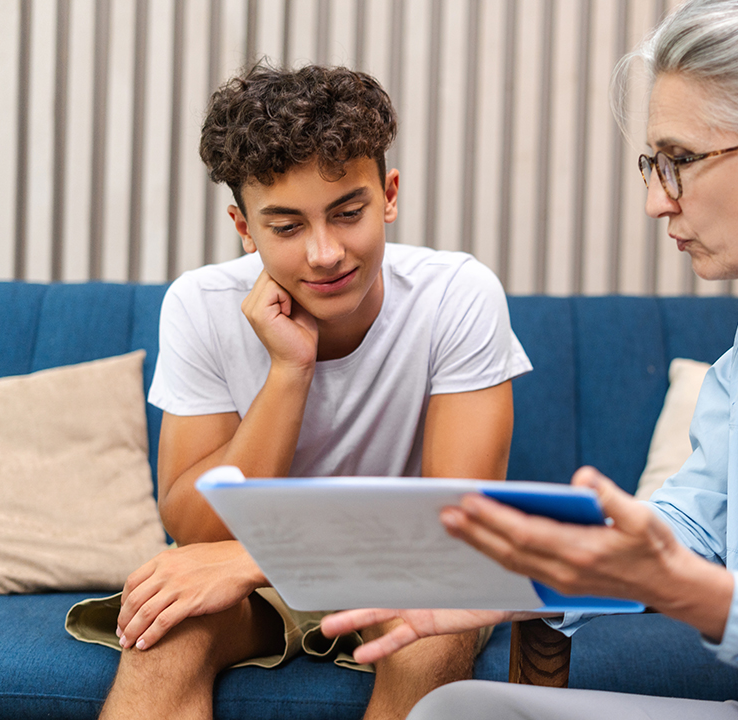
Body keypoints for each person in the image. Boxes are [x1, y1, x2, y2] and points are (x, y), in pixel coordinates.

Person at [320, 1, 738, 718]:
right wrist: (504, 572)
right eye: (653, 164)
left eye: (678, 162)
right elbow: (693, 521)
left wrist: (701, 598)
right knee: (460, 711)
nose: (654, 201)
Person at [77, 63, 532, 720]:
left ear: (390, 195)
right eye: (286, 227)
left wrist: (253, 555)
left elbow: (462, 527)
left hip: (407, 570)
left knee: (433, 628)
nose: (324, 254)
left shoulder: (458, 294)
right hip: (258, 577)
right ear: (244, 226)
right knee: (165, 630)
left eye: (349, 213)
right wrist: (289, 372)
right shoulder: (199, 304)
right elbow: (195, 529)